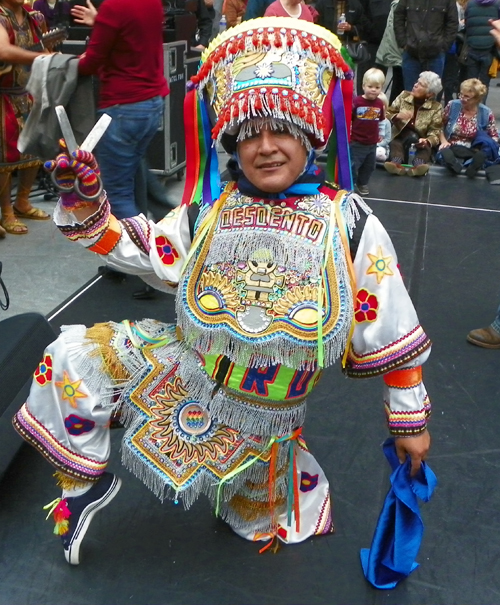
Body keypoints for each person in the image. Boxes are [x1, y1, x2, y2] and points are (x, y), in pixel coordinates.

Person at [13, 18, 432, 566]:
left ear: (310, 134)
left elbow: (391, 324)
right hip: (187, 371)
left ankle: (270, 479)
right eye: (250, 133)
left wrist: (410, 419)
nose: (265, 147)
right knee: (70, 354)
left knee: (254, 521)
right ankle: (84, 486)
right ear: (232, 142)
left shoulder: (347, 222)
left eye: (281, 129)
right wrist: (88, 201)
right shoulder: (211, 214)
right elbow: (140, 249)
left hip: (264, 414)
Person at [70, 0, 169, 220]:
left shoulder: (114, 6)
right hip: (151, 103)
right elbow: (131, 35)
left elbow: (92, 63)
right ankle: (164, 225)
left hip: (123, 108)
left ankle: (135, 250)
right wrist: (101, 22)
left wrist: (56, 62)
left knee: (117, 195)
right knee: (136, 173)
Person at [0, 0, 52, 237]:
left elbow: (46, 49)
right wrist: (40, 56)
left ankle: (23, 202)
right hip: (3, 95)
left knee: (33, 150)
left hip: (27, 92)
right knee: (4, 157)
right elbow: (3, 51)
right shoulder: (1, 16)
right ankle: (6, 212)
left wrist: (52, 56)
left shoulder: (35, 18)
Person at [384, 71, 443, 177]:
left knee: (425, 149)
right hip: (400, 135)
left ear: (430, 94)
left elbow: (435, 131)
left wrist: (427, 141)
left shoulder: (436, 107)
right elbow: (387, 113)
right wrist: (397, 116)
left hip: (419, 139)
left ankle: (418, 167)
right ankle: (396, 165)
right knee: (395, 144)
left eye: (421, 85)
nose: (415, 85)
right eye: (417, 82)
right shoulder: (403, 96)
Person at [438, 78, 498, 178]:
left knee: (481, 156)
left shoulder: (486, 112)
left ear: (477, 99)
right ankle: (453, 164)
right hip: (451, 145)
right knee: (445, 154)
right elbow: (438, 125)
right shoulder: (452, 105)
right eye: (461, 94)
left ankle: (472, 165)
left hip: (473, 149)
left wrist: (484, 148)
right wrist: (443, 141)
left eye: (467, 97)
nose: (462, 98)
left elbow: (494, 136)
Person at [394, 0, 458, 92]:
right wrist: (403, 42)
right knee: (410, 96)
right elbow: (398, 17)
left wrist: (444, 46)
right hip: (411, 51)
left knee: (432, 97)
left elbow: (452, 23)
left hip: (436, 53)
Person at [350, 67, 386, 195]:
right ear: (363, 86)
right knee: (353, 165)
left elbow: (381, 120)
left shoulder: (380, 104)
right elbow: (349, 119)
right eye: (370, 86)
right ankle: (350, 184)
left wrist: (381, 134)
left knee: (369, 166)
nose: (373, 90)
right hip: (357, 141)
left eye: (377, 87)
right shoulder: (356, 101)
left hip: (372, 143)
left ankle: (362, 183)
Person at [463, 0, 500, 94]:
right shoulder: (497, 4)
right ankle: (481, 106)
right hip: (490, 48)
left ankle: (470, 106)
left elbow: (466, 23)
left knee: (470, 83)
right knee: (484, 85)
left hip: (472, 47)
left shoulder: (470, 4)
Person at [375, 0, 404, 104]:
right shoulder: (398, 5)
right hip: (397, 52)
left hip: (395, 51)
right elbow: (392, 33)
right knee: (397, 87)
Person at [376, 92, 391, 162]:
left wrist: (377, 144)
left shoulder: (387, 122)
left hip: (381, 146)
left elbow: (387, 139)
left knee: (380, 153)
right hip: (366, 145)